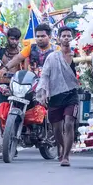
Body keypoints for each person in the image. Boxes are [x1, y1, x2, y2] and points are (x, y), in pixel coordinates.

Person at [36, 27, 80, 167]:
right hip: (55, 96)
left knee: (69, 123)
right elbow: (45, 75)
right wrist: (42, 91)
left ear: (73, 39)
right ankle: (61, 147)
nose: (66, 38)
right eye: (64, 36)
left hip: (71, 96)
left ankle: (66, 156)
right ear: (59, 39)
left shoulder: (78, 55)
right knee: (56, 128)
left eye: (69, 36)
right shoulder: (52, 57)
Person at [0, 28, 22, 106]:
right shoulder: (1, 51)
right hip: (3, 86)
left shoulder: (22, 53)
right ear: (7, 38)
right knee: (2, 111)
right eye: (12, 39)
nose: (14, 42)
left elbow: (25, 71)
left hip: (17, 88)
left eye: (17, 39)